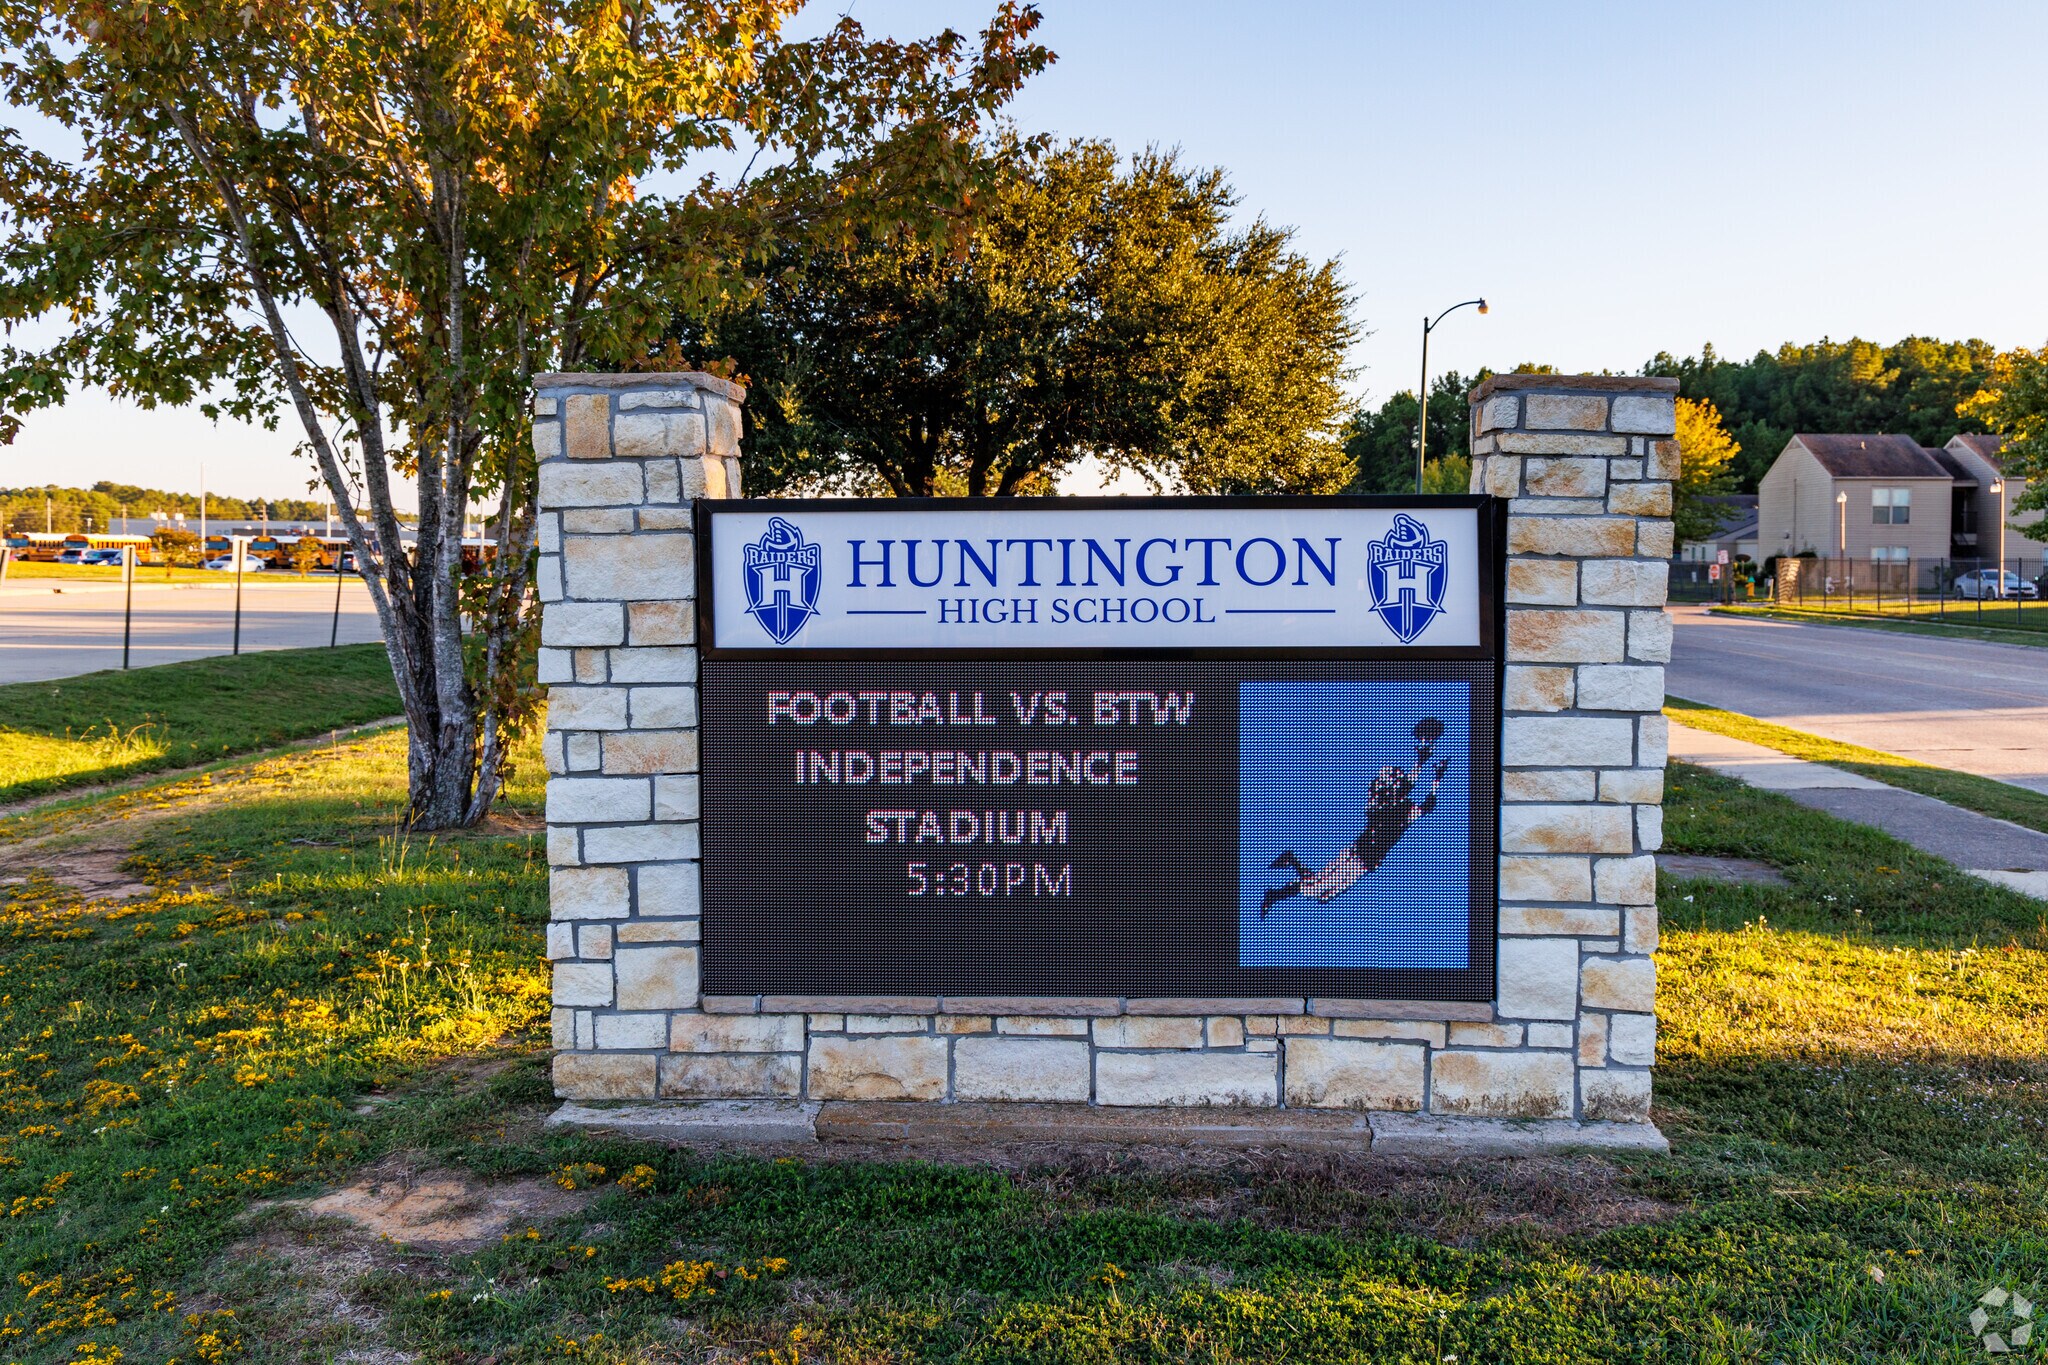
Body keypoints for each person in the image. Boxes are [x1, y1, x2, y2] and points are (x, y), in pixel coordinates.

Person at [1260, 717, 1451, 917]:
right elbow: (1407, 789)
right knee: (1316, 887)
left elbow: (1426, 806)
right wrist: (1420, 763)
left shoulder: (1404, 811)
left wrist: (1436, 779)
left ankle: (1290, 862)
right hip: (1357, 855)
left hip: (1368, 862)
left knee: (1324, 895)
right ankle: (1275, 893)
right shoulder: (1380, 807)